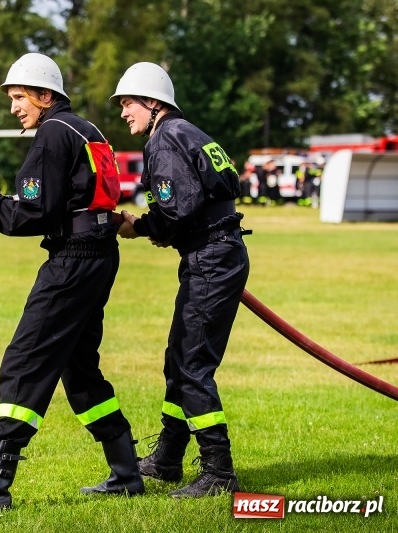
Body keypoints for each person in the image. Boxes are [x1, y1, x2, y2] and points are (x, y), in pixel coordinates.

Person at [0, 52, 145, 511]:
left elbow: (32, 216)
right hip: (99, 255)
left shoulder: (51, 133)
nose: (14, 107)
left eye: (19, 97)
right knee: (79, 369)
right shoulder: (87, 130)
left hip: (72, 261)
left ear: (46, 95)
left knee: (25, 362)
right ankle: (127, 473)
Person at [110, 62, 251, 498]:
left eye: (128, 103)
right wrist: (168, 230)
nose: (122, 112)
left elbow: (179, 208)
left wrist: (144, 227)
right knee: (179, 359)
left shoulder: (165, 138)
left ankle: (219, 471)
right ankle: (169, 457)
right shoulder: (189, 132)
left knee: (192, 365)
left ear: (152, 103)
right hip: (213, 252)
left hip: (211, 257)